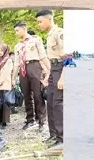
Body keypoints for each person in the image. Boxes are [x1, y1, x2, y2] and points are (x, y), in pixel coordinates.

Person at [13, 21, 50, 131]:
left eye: (17, 30)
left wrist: (49, 70)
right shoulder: (17, 46)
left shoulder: (36, 40)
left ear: (24, 29)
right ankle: (30, 120)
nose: (16, 33)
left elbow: (43, 56)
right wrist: (13, 78)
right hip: (23, 69)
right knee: (26, 95)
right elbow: (16, 63)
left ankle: (42, 121)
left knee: (38, 95)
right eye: (15, 31)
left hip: (34, 66)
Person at [36, 10, 64, 148]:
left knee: (58, 104)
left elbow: (67, 57)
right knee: (51, 102)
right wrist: (48, 75)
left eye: (40, 21)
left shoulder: (60, 33)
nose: (39, 25)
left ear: (49, 19)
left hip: (61, 69)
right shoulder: (49, 35)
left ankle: (62, 138)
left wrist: (63, 77)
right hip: (53, 70)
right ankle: (53, 134)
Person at [0, 43, 14, 129]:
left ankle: (4, 121)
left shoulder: (8, 60)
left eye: (1, 50)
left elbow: (6, 73)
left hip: (4, 83)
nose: (0, 52)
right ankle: (0, 119)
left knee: (5, 102)